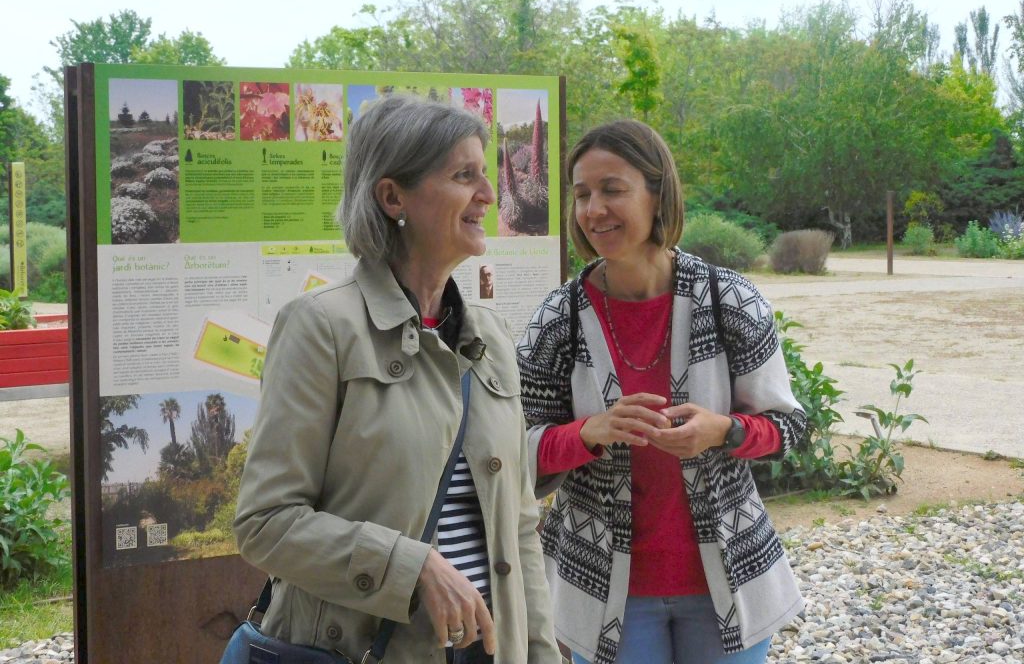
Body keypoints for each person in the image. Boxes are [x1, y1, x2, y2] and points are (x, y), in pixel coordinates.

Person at [235, 95, 562, 664]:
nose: (488, 194)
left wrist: (539, 654)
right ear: (393, 197)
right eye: (464, 175)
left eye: (484, 175)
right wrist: (409, 568)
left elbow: (522, 527)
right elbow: (266, 523)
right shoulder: (322, 328)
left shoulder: (492, 335)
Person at [516, 119, 806, 664]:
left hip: (730, 577)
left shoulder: (730, 301)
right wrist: (589, 433)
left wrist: (726, 430)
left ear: (657, 193)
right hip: (603, 589)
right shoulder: (558, 321)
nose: (593, 209)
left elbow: (793, 428)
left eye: (612, 190)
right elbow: (513, 453)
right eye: (582, 195)